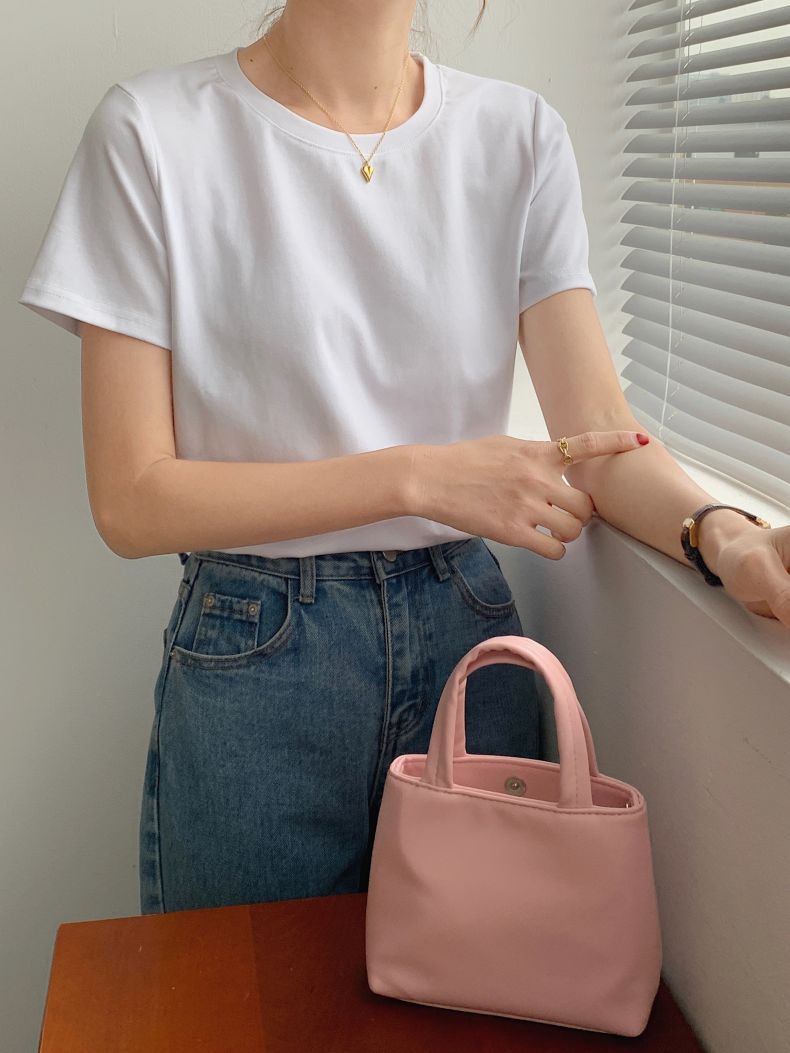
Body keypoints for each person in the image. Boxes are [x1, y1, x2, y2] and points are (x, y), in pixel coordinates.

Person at [17, 1, 790, 915]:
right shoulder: (151, 131)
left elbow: (599, 438)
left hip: (467, 635)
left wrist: (725, 536)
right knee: (251, 991)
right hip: (256, 656)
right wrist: (417, 476)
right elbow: (131, 499)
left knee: (483, 979)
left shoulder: (517, 135)